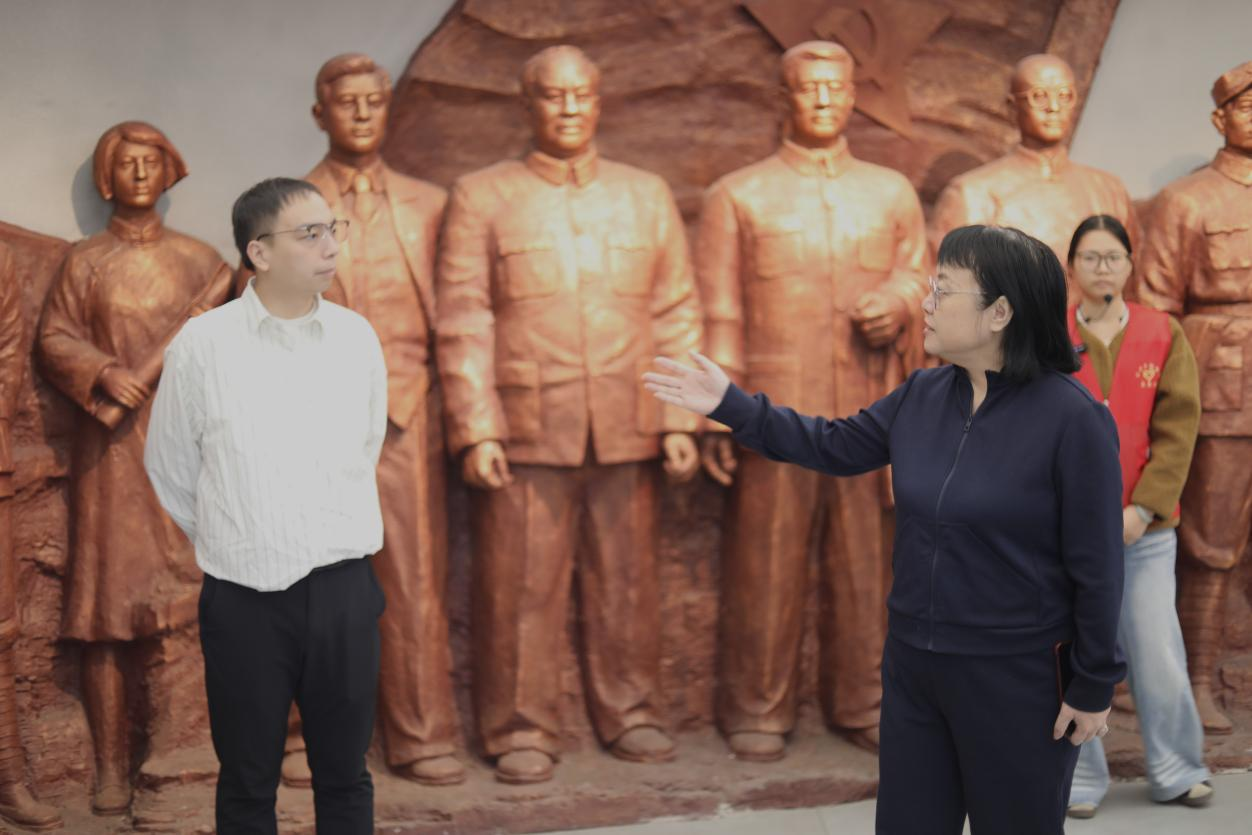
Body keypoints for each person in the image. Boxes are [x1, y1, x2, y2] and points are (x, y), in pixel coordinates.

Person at [645, 225, 1126, 834]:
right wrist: (730, 405)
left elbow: (1099, 568)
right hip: (915, 665)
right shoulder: (922, 394)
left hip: (1016, 674)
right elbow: (833, 445)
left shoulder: (1072, 419)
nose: (925, 303)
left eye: (943, 290)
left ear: (1000, 313)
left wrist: (1094, 684)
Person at [436, 45, 702, 784]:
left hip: (628, 417)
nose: (569, 108)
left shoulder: (644, 194)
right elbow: (464, 318)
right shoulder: (483, 196)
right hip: (527, 423)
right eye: (553, 96)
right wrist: (476, 426)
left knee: (628, 580)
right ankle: (520, 726)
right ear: (527, 106)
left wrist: (681, 419)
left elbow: (676, 310)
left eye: (582, 93)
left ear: (599, 100)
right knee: (520, 585)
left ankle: (633, 710)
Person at [696, 40, 927, 759]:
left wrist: (898, 301)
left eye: (836, 87)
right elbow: (719, 311)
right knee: (765, 564)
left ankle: (866, 700)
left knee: (866, 567)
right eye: (808, 88)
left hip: (868, 409)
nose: (824, 100)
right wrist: (715, 414)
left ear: (854, 95)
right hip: (773, 413)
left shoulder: (889, 192)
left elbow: (920, 274)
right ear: (783, 98)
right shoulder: (739, 194)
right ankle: (757, 707)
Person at [145, 177, 387, 833]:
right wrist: (238, 533)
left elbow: (365, 445)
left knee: (345, 776)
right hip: (244, 598)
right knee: (248, 782)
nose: (330, 245)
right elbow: (170, 465)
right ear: (259, 251)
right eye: (310, 234)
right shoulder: (202, 345)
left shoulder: (356, 338)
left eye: (333, 229)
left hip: (343, 589)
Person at [271, 52, 462, 790]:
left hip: (409, 412)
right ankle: (304, 737)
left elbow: (463, 311)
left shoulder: (432, 203)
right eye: (345, 101)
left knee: (413, 579)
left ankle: (421, 733)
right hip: (315, 419)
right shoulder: (285, 206)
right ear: (319, 113)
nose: (360, 113)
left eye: (373, 100)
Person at [36, 120, 231, 815]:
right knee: (106, 613)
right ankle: (111, 770)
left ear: (169, 169)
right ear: (106, 177)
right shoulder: (85, 262)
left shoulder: (202, 263)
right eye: (127, 163)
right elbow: (54, 336)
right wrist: (103, 372)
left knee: (192, 604)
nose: (141, 173)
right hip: (112, 458)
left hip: (185, 451)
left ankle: (190, 753)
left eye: (151, 161)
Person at [1061, 214, 1211, 817]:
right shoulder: (1048, 336)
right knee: (1070, 653)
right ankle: (1077, 780)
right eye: (1090, 257)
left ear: (1130, 264)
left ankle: (1178, 769)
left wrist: (1143, 508)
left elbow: (1178, 428)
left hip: (1144, 532)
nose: (1103, 268)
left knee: (1157, 650)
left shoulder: (1161, 331)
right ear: (1071, 266)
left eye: (1113, 257)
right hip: (1066, 534)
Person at [1137, 58, 1252, 736]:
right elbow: (1157, 309)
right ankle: (1195, 682)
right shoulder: (1186, 201)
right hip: (1221, 387)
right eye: (1247, 105)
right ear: (1220, 118)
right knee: (1210, 542)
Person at [929, 54, 1137, 279]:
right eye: (1039, 96)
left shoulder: (1108, 190)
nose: (1054, 107)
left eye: (1064, 95)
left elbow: (1132, 279)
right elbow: (948, 287)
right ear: (1012, 107)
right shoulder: (971, 194)